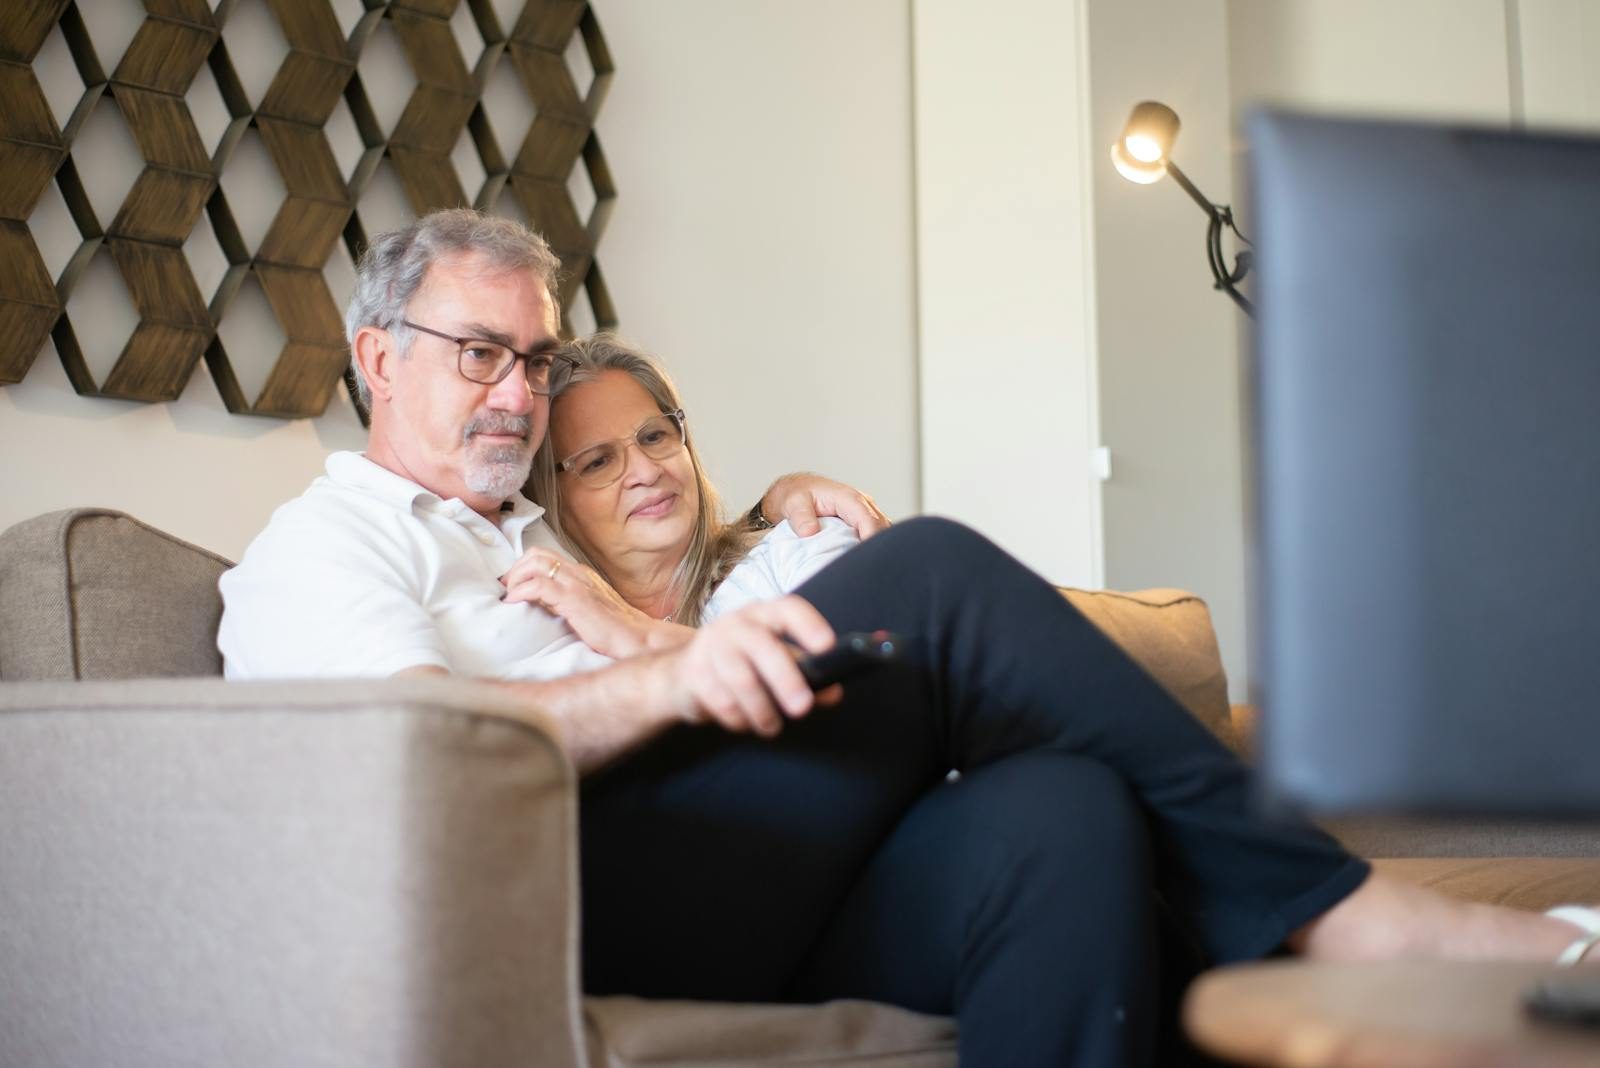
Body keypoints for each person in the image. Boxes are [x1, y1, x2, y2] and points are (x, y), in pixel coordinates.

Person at [219, 209, 1600, 1068]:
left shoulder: (530, 536)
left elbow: (687, 570)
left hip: (730, 878)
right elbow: (422, 754)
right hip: (564, 892)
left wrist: (720, 566)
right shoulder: (325, 543)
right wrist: (671, 681)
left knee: (1054, 814)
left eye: (532, 359)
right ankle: (1348, 915)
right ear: (377, 357)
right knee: (928, 571)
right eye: (481, 353)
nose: (519, 393)